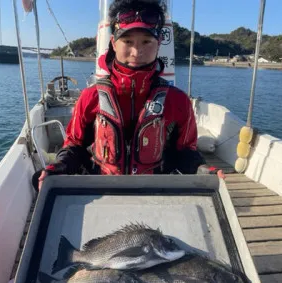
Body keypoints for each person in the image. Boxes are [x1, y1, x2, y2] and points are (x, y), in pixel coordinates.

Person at [32, 0, 223, 192]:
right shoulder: (90, 97)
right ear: (114, 43)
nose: (136, 51)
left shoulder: (178, 101)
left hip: (156, 191)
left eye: (146, 42)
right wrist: (58, 167)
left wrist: (203, 170)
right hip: (101, 189)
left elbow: (186, 153)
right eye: (128, 41)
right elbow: (74, 146)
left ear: (158, 45)